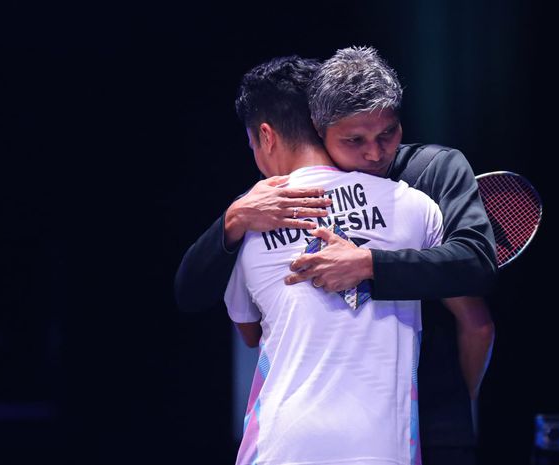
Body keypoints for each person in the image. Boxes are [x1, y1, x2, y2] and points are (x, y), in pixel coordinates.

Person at [175, 47, 497, 465]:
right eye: (355, 140)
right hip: (351, 435)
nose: (375, 153)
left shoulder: (428, 178)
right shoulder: (257, 211)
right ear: (319, 128)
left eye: (388, 134)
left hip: (419, 423)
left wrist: (368, 265)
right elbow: (190, 293)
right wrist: (232, 220)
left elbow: (476, 274)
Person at [225, 55, 444, 465]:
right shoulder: (416, 208)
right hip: (383, 450)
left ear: (266, 136)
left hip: (279, 447)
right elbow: (463, 282)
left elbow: (250, 332)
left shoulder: (247, 226)